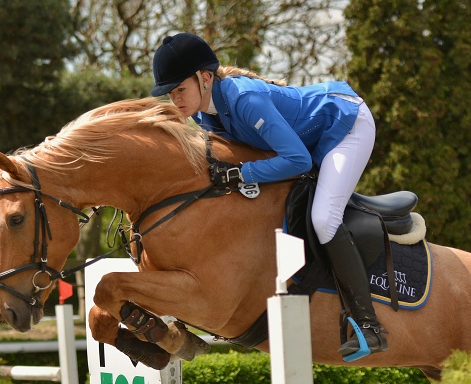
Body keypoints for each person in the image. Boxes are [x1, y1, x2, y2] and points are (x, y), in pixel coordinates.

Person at [150, 33, 386, 357]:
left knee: (323, 218)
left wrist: (241, 173)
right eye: (169, 93)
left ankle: (370, 326)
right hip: (311, 139)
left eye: (180, 89)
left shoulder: (244, 99)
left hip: (345, 123)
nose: (175, 100)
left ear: (205, 79)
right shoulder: (204, 115)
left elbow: (297, 160)